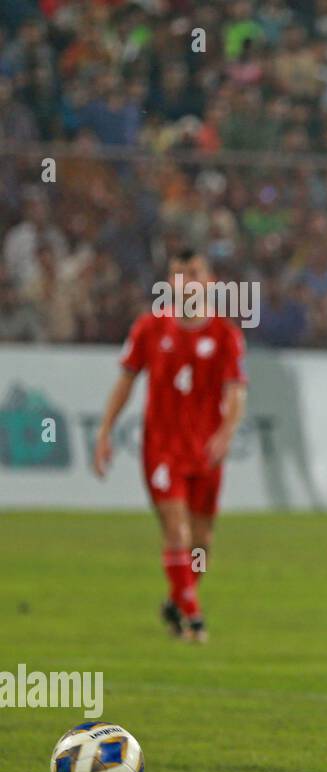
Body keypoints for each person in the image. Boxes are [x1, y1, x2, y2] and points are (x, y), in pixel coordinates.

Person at [93, 251, 248, 644]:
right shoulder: (149, 329)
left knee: (201, 543)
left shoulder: (225, 335)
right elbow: (125, 382)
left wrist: (226, 432)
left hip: (205, 453)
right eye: (178, 275)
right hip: (162, 450)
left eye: (193, 274)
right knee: (177, 533)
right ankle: (194, 618)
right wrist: (105, 431)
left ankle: (178, 597)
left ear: (210, 283)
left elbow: (236, 392)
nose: (186, 282)